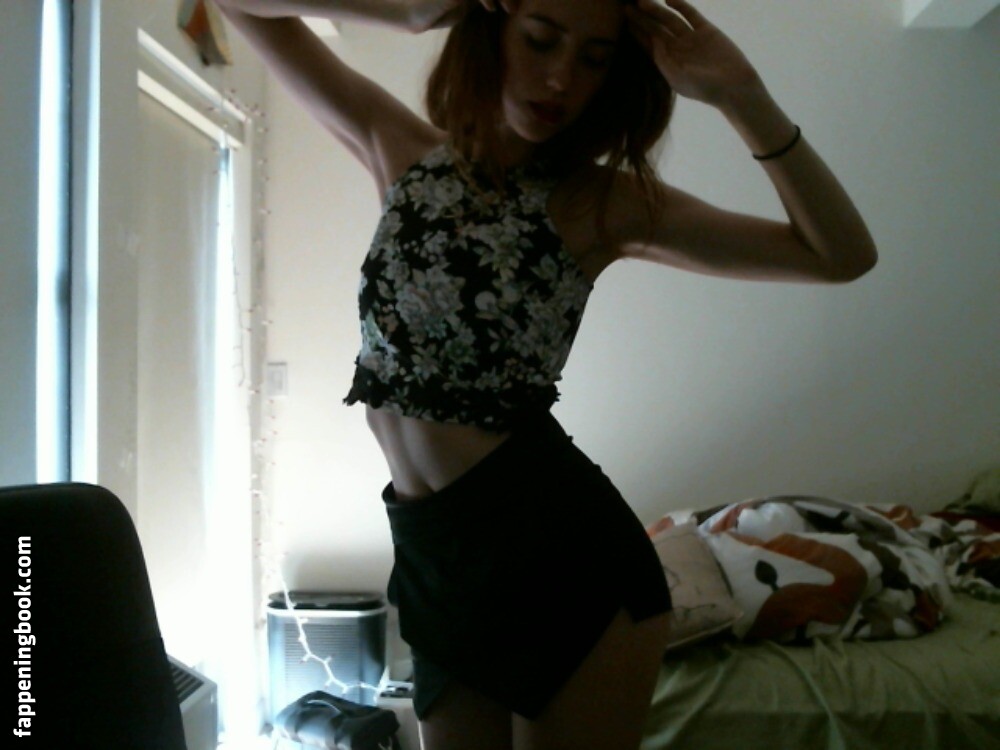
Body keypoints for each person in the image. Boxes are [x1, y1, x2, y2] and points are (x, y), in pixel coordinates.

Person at [214, 1, 877, 748]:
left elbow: (840, 255)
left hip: (561, 560)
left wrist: (742, 94)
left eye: (594, 59)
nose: (561, 77)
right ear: (491, 29)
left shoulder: (600, 203)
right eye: (539, 39)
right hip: (433, 555)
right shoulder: (400, 149)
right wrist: (412, 11)